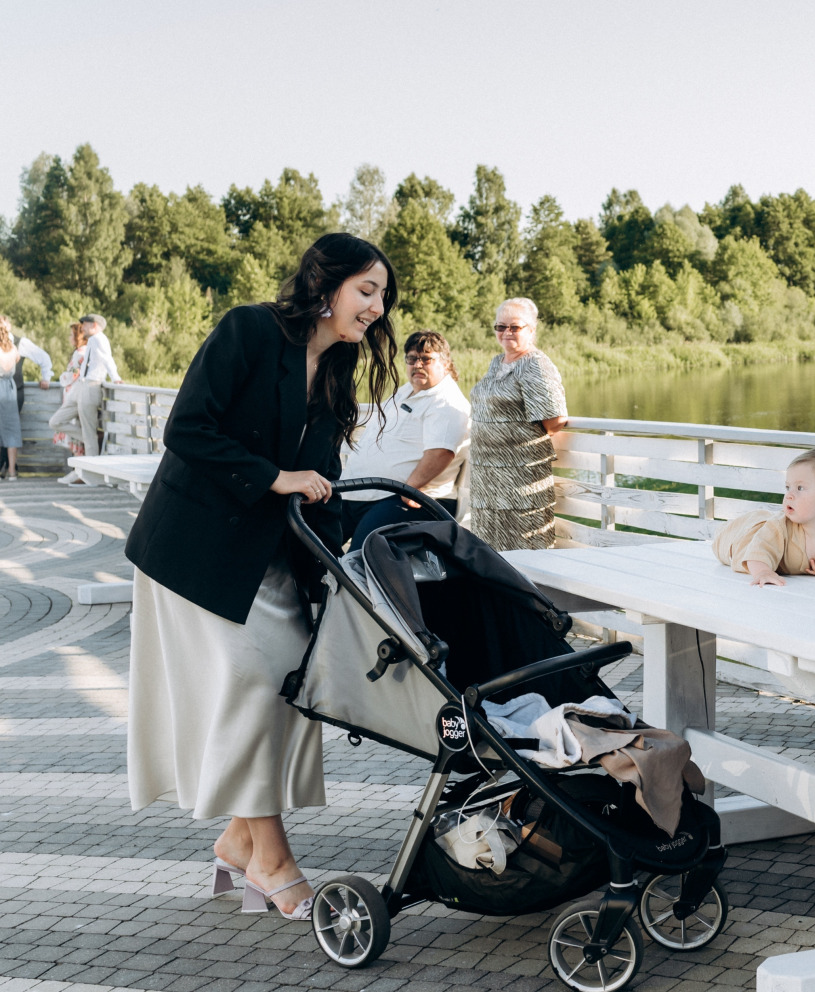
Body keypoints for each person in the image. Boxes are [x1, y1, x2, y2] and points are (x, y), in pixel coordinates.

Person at [125, 234, 400, 920]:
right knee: (253, 683)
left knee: (288, 683)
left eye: (383, 296)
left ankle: (236, 841)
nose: (376, 306)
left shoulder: (336, 374)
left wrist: (351, 559)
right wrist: (274, 477)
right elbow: (188, 428)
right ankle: (270, 859)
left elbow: (323, 485)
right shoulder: (250, 330)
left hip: (271, 561)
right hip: (194, 554)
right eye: (366, 289)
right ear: (324, 284)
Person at [339, 329, 471, 548]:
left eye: (426, 359)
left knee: (363, 553)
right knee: (313, 545)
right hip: (362, 494)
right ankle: (317, 582)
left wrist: (409, 488)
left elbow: (441, 452)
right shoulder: (406, 391)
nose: (417, 365)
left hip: (408, 500)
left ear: (446, 363)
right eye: (412, 358)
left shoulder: (447, 402)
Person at [468, 298, 569, 549]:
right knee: (490, 549)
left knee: (523, 547)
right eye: (500, 327)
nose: (506, 333)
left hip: (519, 477)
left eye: (515, 327)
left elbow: (555, 420)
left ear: (531, 330)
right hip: (488, 478)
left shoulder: (533, 364)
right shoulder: (496, 363)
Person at [713, 447, 815, 585]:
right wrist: (763, 572)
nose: (789, 495)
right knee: (728, 540)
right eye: (788, 487)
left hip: (765, 526)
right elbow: (758, 552)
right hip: (745, 537)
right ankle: (724, 531)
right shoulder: (778, 528)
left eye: (800, 488)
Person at [48, 313, 119, 457]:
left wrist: (115, 378)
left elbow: (107, 359)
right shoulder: (92, 340)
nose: (83, 327)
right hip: (82, 385)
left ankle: (91, 473)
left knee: (89, 431)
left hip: (92, 385)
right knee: (55, 422)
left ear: (94, 325)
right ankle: (92, 440)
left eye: (85, 324)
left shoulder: (100, 339)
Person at [0, 315, 53, 481]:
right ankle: (10, 469)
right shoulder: (14, 349)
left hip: (15, 394)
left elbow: (43, 358)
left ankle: (7, 466)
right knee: (9, 430)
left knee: (7, 429)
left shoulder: (20, 343)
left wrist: (47, 378)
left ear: (8, 324)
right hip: (11, 389)